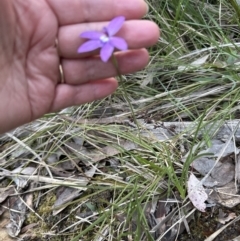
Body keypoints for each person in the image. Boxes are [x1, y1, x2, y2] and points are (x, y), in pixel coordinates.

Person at [0, 0, 160, 133]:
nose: (104, 35)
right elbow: (91, 42)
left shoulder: (115, 38)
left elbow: (115, 44)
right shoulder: (101, 40)